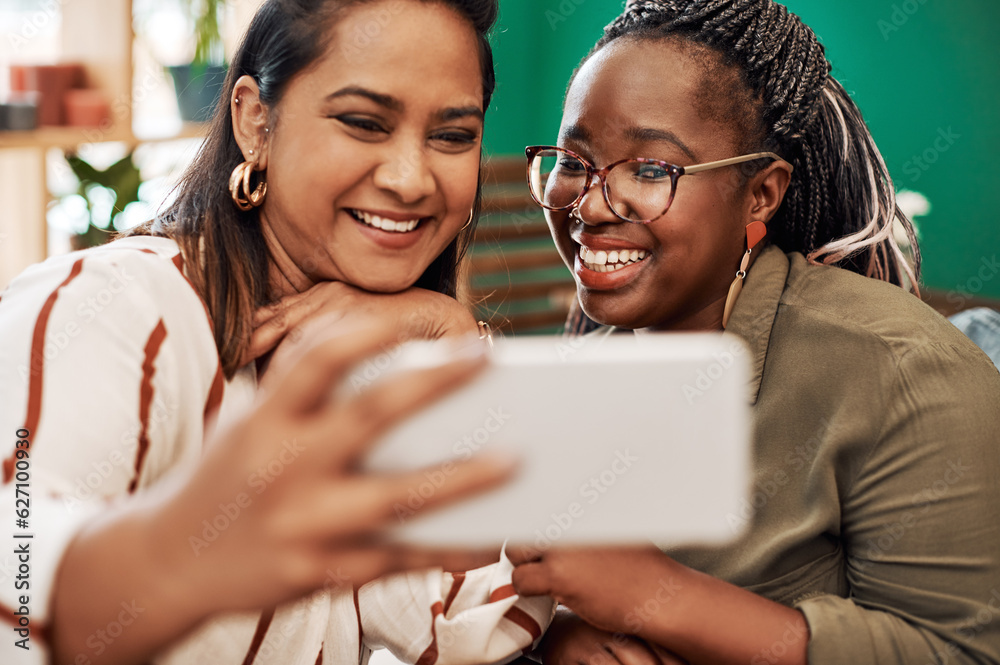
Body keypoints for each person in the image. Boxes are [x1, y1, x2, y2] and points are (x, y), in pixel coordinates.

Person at [0, 1, 553, 664]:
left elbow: (467, 627)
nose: (410, 178)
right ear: (255, 120)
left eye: (453, 136)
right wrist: (175, 552)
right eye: (362, 122)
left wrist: (456, 339)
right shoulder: (110, 308)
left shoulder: (385, 353)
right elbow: (18, 592)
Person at [507, 1, 1000, 664]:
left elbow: (961, 650)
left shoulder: (902, 369)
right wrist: (562, 633)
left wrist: (660, 595)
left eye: (651, 170)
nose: (591, 205)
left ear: (762, 193)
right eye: (573, 161)